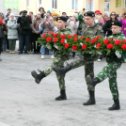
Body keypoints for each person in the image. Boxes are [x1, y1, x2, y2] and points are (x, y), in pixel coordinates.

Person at [53, 11, 104, 105]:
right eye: (85, 19)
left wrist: (91, 47)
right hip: (84, 52)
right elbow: (81, 38)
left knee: (81, 61)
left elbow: (100, 42)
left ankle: (64, 69)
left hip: (92, 53)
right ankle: (92, 99)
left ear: (93, 18)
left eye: (88, 19)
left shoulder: (98, 28)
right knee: (89, 76)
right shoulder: (84, 26)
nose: (86, 21)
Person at [86, 20, 125, 110]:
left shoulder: (122, 38)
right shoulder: (109, 37)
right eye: (112, 28)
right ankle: (116, 103)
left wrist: (119, 52)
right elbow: (104, 47)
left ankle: (95, 81)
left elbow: (123, 51)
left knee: (107, 69)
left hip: (116, 61)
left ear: (120, 28)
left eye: (115, 28)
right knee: (112, 82)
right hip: (109, 60)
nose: (113, 29)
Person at [31, 16, 71, 100]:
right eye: (58, 22)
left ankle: (40, 76)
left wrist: (54, 43)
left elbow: (65, 45)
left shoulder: (67, 32)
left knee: (54, 65)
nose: (58, 24)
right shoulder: (58, 32)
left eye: (60, 22)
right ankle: (63, 94)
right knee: (59, 75)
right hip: (58, 54)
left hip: (63, 55)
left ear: (65, 23)